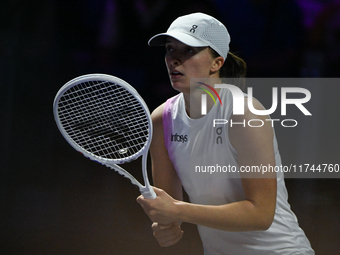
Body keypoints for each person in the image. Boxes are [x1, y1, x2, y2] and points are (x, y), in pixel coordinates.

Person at [136, 12, 314, 254]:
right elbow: (171, 209)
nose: (173, 59)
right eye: (169, 49)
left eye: (188, 50)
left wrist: (177, 210)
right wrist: (165, 224)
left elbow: (261, 214)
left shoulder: (244, 113)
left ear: (216, 62)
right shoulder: (162, 120)